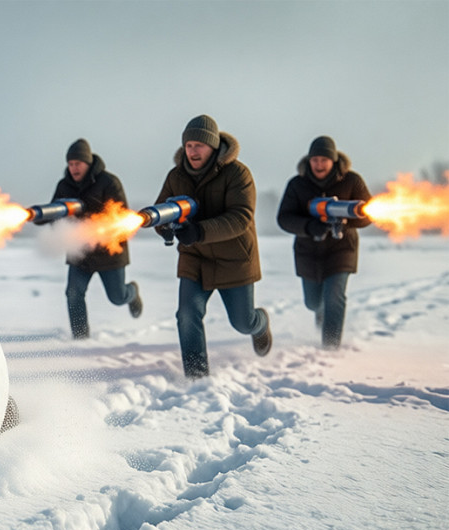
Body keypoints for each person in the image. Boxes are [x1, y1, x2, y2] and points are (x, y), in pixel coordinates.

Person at [154, 115, 271, 379]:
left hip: (234, 258)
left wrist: (199, 230)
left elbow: (241, 217)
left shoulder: (237, 173)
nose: (193, 151)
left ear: (213, 146)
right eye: (189, 145)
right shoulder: (176, 176)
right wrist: (163, 224)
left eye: (199, 145)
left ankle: (260, 323)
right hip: (194, 258)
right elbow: (162, 207)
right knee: (187, 315)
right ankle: (197, 377)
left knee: (243, 323)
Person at [276, 136, 372, 349]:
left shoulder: (351, 181)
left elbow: (368, 214)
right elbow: (284, 218)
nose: (319, 164)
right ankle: (320, 314)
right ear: (309, 160)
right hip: (308, 251)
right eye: (315, 160)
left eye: (324, 160)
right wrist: (310, 227)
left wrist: (347, 219)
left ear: (334, 160)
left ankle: (330, 348)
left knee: (334, 296)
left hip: (341, 249)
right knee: (313, 302)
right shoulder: (297, 184)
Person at [50, 138, 143, 339]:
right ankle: (80, 338)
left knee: (117, 297)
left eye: (78, 163)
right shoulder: (64, 186)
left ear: (88, 162)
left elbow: (121, 217)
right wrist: (47, 218)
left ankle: (132, 293)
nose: (74, 168)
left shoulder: (109, 182)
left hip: (109, 252)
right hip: (80, 253)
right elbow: (54, 217)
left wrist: (84, 219)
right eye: (70, 164)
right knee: (74, 294)